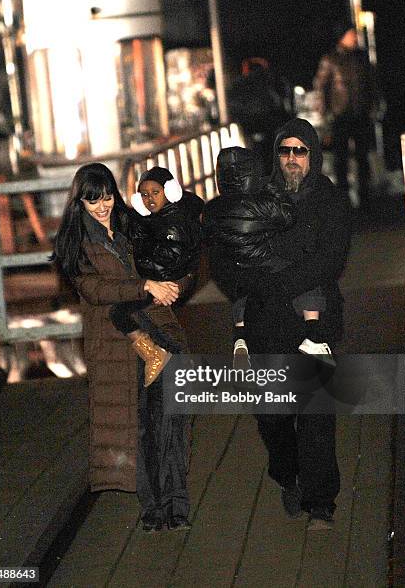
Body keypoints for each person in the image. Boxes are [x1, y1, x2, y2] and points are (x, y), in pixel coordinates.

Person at [52, 162, 191, 533]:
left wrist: (170, 278)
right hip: (117, 345)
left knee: (171, 422)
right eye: (92, 199)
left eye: (108, 196)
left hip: (156, 332)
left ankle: (177, 504)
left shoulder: (131, 225)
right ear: (78, 202)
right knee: (139, 427)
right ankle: (153, 509)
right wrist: (144, 286)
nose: (102, 206)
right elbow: (96, 291)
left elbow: (171, 249)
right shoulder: (76, 243)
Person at [244, 118, 351, 529]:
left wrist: (279, 278)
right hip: (267, 323)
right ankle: (288, 475)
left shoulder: (329, 200)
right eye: (285, 151)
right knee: (271, 415)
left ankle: (321, 500)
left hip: (314, 321)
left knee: (315, 413)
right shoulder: (260, 198)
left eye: (300, 151)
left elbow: (330, 259)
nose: (291, 160)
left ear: (312, 156)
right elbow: (242, 253)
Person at [203, 146, 335, 369]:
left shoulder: (213, 208)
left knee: (241, 294)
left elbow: (209, 236)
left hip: (237, 267)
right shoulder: (260, 203)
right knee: (308, 282)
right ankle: (313, 337)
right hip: (266, 264)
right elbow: (287, 216)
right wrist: (271, 188)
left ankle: (240, 337)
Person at [109, 166, 203, 381]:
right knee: (156, 323)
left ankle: (172, 366)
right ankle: (174, 366)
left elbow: (168, 259)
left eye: (155, 193)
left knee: (130, 315)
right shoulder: (156, 219)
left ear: (170, 192)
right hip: (162, 282)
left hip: (165, 282)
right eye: (144, 195)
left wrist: (137, 256)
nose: (149, 199)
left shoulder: (173, 222)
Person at [313, 23, 376, 208]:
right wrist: (326, 115)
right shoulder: (331, 60)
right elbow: (321, 87)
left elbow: (370, 83)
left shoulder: (361, 58)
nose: (355, 37)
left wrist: (372, 106)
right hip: (340, 116)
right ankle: (342, 199)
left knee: (362, 157)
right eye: (351, 34)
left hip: (361, 115)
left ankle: (365, 197)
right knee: (341, 159)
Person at [228, 57, 294, 175]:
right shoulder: (271, 80)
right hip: (271, 127)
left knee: (256, 159)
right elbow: (284, 102)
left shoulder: (240, 84)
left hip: (251, 128)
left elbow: (234, 106)